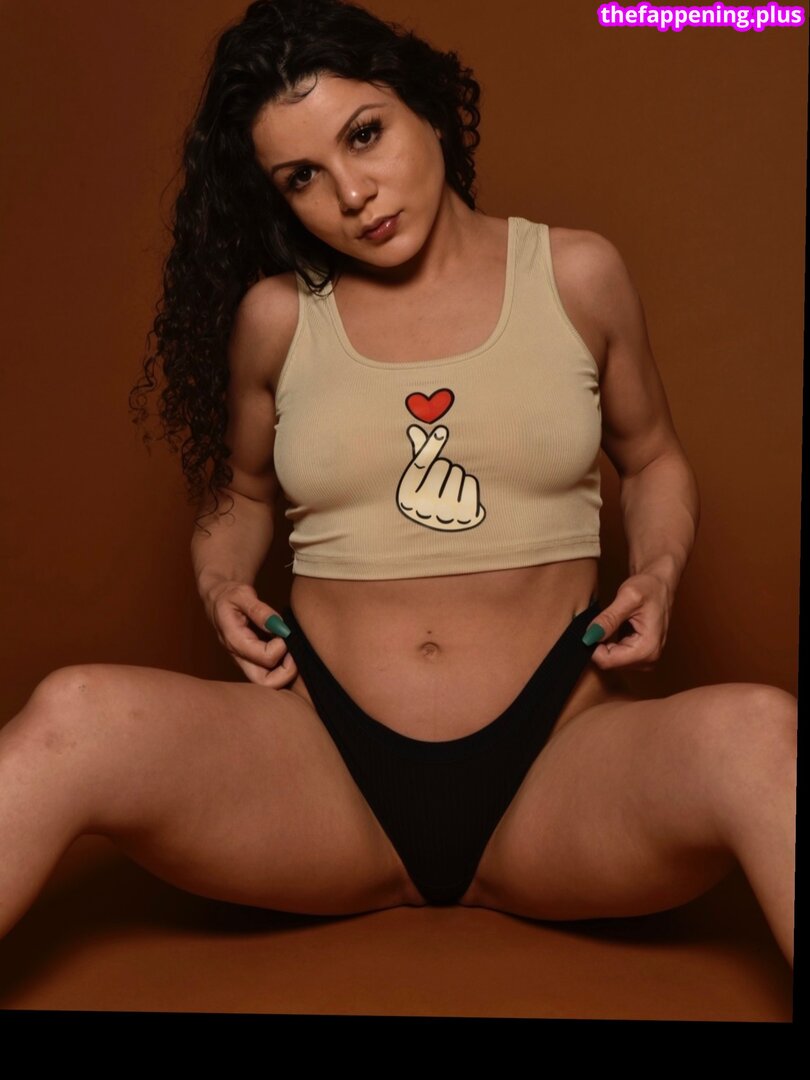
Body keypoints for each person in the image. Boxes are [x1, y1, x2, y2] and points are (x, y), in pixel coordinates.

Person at [0, 0, 796, 969]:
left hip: (561, 764)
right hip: (323, 771)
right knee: (75, 714)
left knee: (761, 734)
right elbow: (241, 496)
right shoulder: (278, 319)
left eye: (364, 135)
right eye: (302, 177)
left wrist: (661, 572)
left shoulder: (577, 275)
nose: (352, 193)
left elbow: (654, 457)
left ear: (424, 106)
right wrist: (218, 582)